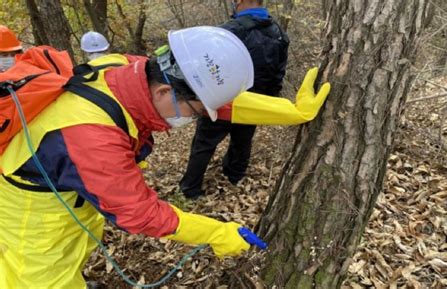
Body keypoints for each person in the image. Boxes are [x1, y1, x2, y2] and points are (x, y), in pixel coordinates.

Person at [0, 25, 330, 287]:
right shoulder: (93, 137)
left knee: (73, 252)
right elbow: (140, 214)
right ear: (163, 93)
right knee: (39, 276)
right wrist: (216, 233)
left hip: (70, 194)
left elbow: (212, 99)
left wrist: (291, 111)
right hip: (36, 215)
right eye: (197, 113)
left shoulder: (132, 69)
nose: (196, 120)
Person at [179, 0, 289, 198]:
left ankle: (190, 189)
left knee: (204, 144)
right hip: (253, 103)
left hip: (223, 100)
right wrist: (269, 102)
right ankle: (234, 177)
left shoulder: (227, 31)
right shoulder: (278, 33)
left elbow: (205, 65)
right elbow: (278, 73)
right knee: (242, 141)